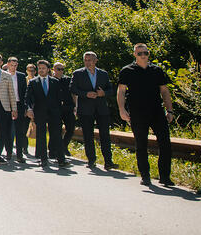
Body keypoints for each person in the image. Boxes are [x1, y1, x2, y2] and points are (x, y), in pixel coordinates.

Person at [118, 44, 174, 186]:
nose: (143, 55)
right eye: (140, 53)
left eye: (145, 53)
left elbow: (165, 91)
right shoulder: (127, 70)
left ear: (148, 54)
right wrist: (122, 109)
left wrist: (170, 110)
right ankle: (145, 176)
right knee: (141, 144)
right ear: (135, 55)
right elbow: (121, 91)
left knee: (165, 143)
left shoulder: (157, 70)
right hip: (137, 113)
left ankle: (165, 177)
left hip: (157, 112)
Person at [71, 51, 114, 170]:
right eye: (85, 60)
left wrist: (103, 93)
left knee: (105, 135)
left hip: (101, 109)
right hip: (85, 109)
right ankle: (91, 160)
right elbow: (72, 88)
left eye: (90, 60)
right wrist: (85, 94)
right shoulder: (78, 73)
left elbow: (111, 90)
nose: (87, 62)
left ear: (95, 61)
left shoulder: (103, 74)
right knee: (88, 136)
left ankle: (108, 161)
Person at [25, 60, 70, 167]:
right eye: (39, 68)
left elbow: (60, 98)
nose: (41, 70)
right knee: (41, 136)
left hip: (54, 113)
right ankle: (43, 159)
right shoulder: (33, 82)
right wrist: (29, 109)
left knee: (56, 136)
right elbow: (27, 98)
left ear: (48, 69)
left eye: (43, 68)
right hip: (39, 113)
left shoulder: (55, 82)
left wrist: (60, 111)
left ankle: (61, 159)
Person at [6, 56, 29, 162]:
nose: (13, 67)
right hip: (7, 105)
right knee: (9, 130)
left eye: (15, 65)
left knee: (20, 131)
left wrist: (25, 107)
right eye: (11, 65)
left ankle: (19, 154)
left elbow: (25, 92)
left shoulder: (21, 76)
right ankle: (9, 152)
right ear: (8, 64)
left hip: (19, 105)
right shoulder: (3, 75)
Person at [53, 62, 77, 157]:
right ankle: (55, 149)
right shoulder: (51, 80)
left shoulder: (68, 79)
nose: (61, 71)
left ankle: (64, 146)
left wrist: (75, 106)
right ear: (54, 69)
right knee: (57, 130)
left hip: (68, 106)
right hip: (56, 108)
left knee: (71, 128)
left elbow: (73, 93)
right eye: (59, 69)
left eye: (62, 69)